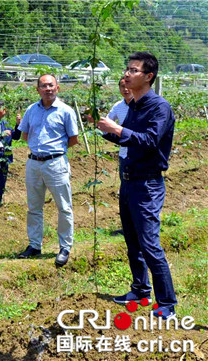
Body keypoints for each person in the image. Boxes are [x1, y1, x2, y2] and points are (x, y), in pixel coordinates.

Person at [98, 52, 177, 319]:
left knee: (149, 243)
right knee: (132, 241)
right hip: (129, 182)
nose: (127, 74)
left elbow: (149, 141)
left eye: (133, 70)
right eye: (127, 69)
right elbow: (129, 141)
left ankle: (166, 302)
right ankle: (141, 290)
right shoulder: (134, 106)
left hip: (147, 185)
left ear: (148, 76)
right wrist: (107, 132)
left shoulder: (159, 107)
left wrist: (118, 130)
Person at [17, 74, 79, 267]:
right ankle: (35, 245)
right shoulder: (31, 110)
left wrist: (54, 152)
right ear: (38, 90)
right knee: (34, 207)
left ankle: (65, 246)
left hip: (56, 163)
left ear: (57, 88)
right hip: (34, 163)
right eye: (44, 86)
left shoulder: (66, 111)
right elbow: (25, 135)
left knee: (64, 206)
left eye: (51, 85)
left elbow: (73, 139)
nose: (48, 89)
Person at [107, 77, 133, 160]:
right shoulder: (118, 106)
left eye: (128, 86)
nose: (125, 89)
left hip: (140, 155)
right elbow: (108, 122)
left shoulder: (143, 105)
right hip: (123, 154)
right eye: (122, 86)